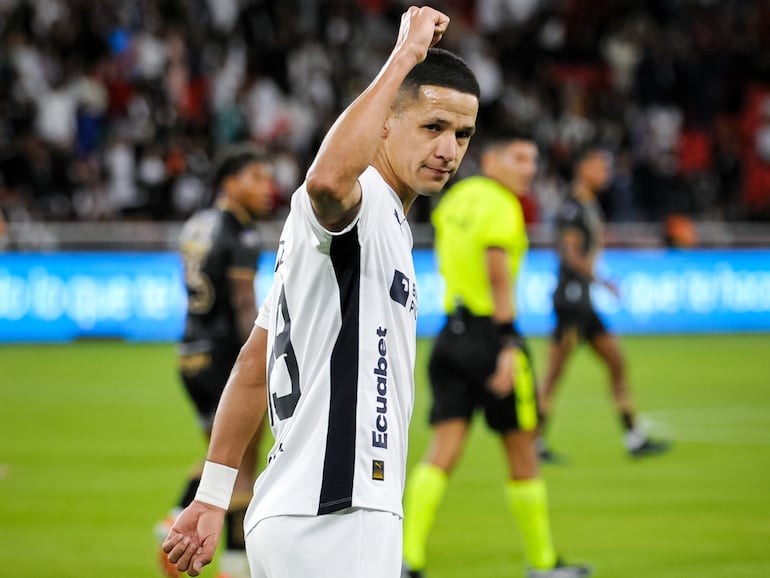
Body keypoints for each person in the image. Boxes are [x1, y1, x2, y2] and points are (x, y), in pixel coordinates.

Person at [161, 7, 480, 578]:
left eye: (462, 134)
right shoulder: (366, 206)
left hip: (290, 511)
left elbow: (255, 362)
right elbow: (327, 182)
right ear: (385, 121)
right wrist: (404, 55)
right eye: (432, 127)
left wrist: (212, 494)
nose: (448, 149)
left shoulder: (330, 240)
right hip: (339, 511)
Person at [401, 134, 592, 578]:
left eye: (534, 159)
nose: (529, 168)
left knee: (442, 451)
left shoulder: (455, 199)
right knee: (522, 451)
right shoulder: (502, 206)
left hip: (451, 332)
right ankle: (543, 564)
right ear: (491, 160)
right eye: (519, 158)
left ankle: (407, 558)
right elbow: (497, 275)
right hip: (491, 335)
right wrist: (508, 344)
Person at [156, 144, 275, 578]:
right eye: (257, 178)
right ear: (230, 183)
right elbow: (245, 303)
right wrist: (264, 359)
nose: (268, 188)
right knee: (242, 465)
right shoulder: (241, 232)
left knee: (216, 454)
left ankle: (172, 517)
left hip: (191, 352)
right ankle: (236, 565)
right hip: (227, 357)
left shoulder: (197, 223)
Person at [537, 146, 671, 461]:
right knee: (554, 374)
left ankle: (634, 439)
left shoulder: (586, 204)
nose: (605, 174)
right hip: (572, 301)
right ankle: (534, 444)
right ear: (582, 168)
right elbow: (569, 254)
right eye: (599, 167)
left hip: (582, 303)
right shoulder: (573, 207)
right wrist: (602, 281)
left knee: (615, 362)